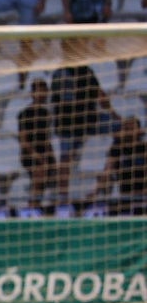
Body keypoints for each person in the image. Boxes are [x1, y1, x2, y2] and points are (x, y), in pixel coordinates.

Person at [50, 37, 114, 210]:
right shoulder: (60, 74)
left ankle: (104, 186)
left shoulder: (86, 70)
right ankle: (63, 198)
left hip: (89, 120)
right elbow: (66, 101)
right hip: (68, 124)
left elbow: (100, 95)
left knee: (122, 129)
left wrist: (115, 116)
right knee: (65, 157)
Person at [16, 78, 56, 212]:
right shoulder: (25, 114)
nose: (43, 94)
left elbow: (46, 138)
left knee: (49, 178)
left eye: (45, 91)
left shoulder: (46, 114)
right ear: (33, 93)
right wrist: (38, 157)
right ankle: (32, 207)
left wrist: (49, 155)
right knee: (38, 177)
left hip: (44, 152)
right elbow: (24, 141)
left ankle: (40, 207)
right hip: (30, 154)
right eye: (40, 91)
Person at [98, 116, 147, 215]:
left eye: (131, 127)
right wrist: (96, 191)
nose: (128, 130)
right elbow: (107, 169)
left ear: (138, 130)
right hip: (125, 196)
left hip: (143, 196)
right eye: (126, 128)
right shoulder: (116, 148)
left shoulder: (144, 147)